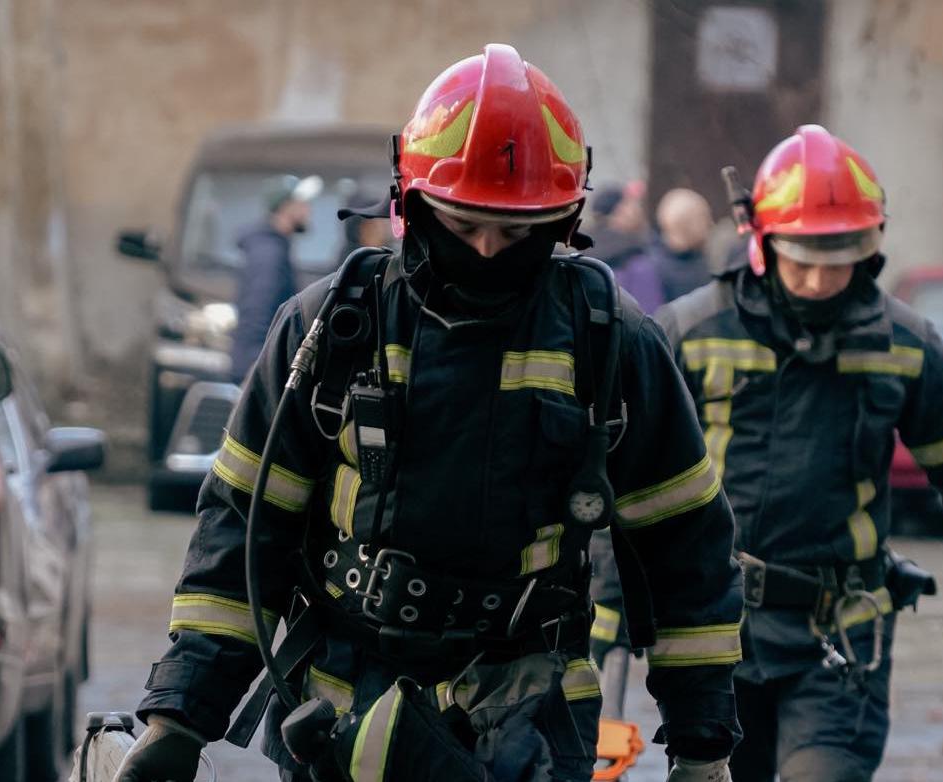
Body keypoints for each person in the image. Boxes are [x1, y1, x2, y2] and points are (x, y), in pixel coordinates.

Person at [114, 44, 742, 782]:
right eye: (462, 222)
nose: (484, 250)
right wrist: (180, 715)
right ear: (409, 203)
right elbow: (244, 528)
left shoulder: (610, 342)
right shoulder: (331, 329)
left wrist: (702, 747)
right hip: (343, 716)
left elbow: (683, 546)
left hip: (529, 718)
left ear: (564, 222)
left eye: (515, 232)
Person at [655, 125, 943, 781]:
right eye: (801, 259)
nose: (818, 280)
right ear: (761, 244)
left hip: (837, 635)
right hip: (714, 634)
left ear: (869, 247)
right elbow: (630, 479)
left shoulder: (903, 344)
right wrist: (610, 612)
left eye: (837, 257)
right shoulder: (688, 332)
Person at [228, 175, 321, 382]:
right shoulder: (269, 254)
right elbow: (257, 312)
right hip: (255, 366)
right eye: (303, 203)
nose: (308, 210)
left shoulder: (273, 248)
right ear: (286, 207)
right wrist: (258, 366)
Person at [584, 181, 664, 312]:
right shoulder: (638, 262)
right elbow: (650, 318)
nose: (638, 209)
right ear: (619, 212)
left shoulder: (583, 253)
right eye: (630, 203)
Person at [649, 188, 715, 302]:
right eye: (704, 216)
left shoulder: (707, 260)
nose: (711, 224)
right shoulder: (652, 270)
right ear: (685, 223)